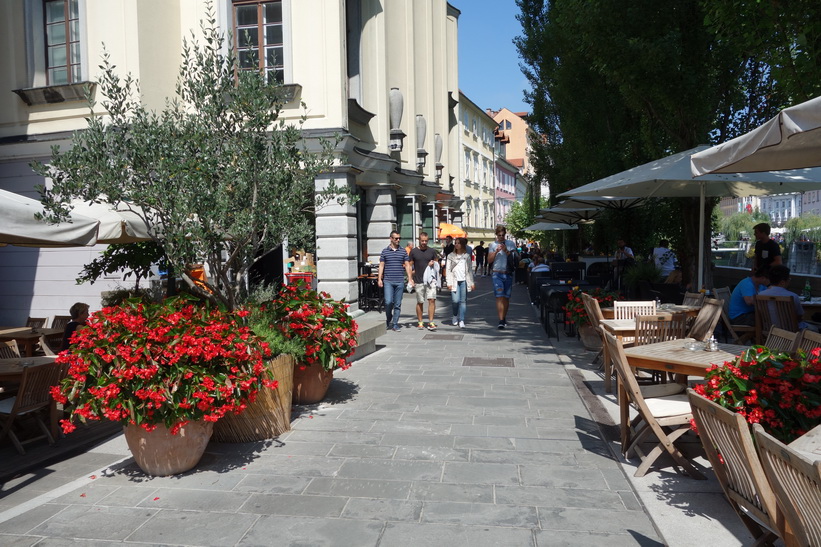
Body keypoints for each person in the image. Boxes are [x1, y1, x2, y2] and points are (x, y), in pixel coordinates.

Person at [759, 265, 815, 330]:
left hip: (770, 330)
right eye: (788, 279)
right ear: (782, 282)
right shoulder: (793, 296)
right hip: (790, 332)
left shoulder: (760, 295)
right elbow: (799, 316)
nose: (789, 281)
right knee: (815, 329)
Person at [378, 231, 414, 332]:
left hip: (399, 281)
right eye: (396, 238)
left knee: (397, 304)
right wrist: (379, 279)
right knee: (388, 302)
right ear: (391, 239)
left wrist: (410, 278)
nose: (398, 240)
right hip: (388, 281)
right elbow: (381, 265)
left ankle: (395, 324)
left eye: (399, 238)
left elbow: (407, 265)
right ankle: (389, 317)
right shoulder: (385, 251)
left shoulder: (403, 251)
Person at [487, 224, 517, 329]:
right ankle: (500, 320)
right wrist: (496, 251)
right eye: (499, 235)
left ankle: (504, 317)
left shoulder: (510, 244)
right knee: (499, 297)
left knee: (506, 298)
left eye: (503, 235)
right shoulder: (492, 245)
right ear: (496, 235)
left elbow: (516, 259)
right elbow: (489, 260)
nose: (501, 237)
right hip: (497, 273)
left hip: (507, 273)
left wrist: (506, 251)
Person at [409, 231, 440, 331]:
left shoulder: (432, 251)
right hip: (418, 280)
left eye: (426, 241)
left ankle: (431, 322)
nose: (424, 243)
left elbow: (437, 265)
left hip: (430, 281)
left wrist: (433, 263)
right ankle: (420, 322)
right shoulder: (413, 251)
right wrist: (410, 279)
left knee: (432, 300)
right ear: (419, 240)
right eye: (422, 241)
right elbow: (409, 265)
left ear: (428, 241)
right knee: (420, 302)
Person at [446, 237, 475, 328]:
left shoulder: (466, 256)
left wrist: (471, 282)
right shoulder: (451, 256)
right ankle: (455, 316)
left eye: (458, 243)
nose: (456, 244)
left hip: (464, 281)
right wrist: (448, 282)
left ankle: (461, 320)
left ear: (462, 245)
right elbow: (448, 270)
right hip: (454, 281)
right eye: (456, 243)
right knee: (455, 300)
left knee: (463, 301)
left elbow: (469, 270)